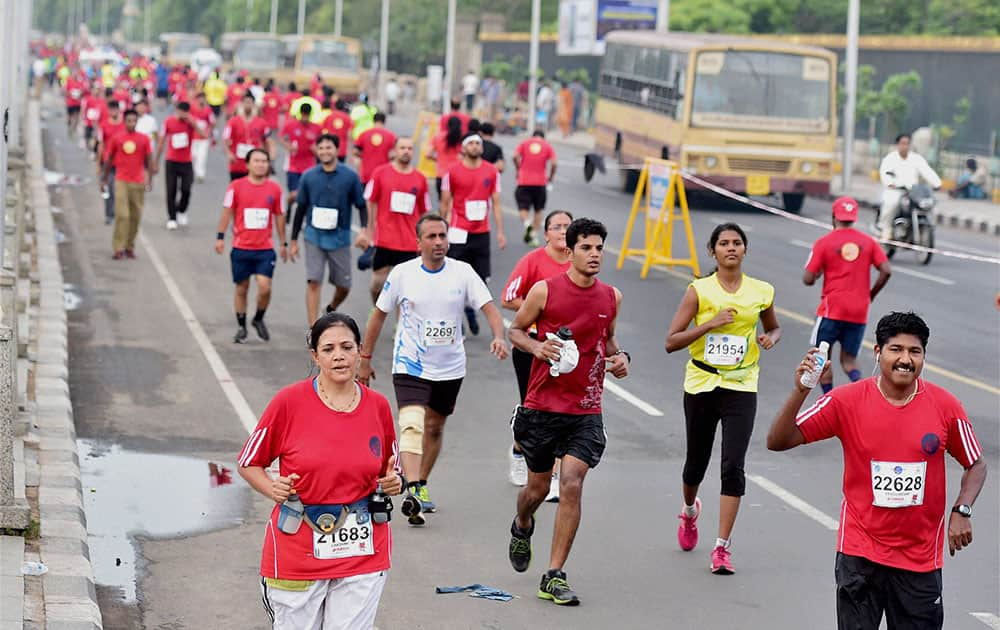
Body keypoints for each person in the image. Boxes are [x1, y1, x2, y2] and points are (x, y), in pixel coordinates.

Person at [767, 311, 987, 630]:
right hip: (860, 553)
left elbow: (975, 463)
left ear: (923, 356)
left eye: (915, 351)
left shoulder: (945, 406)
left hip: (919, 559)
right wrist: (801, 390)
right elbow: (778, 440)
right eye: (896, 349)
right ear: (878, 352)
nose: (905, 360)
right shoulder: (846, 401)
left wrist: (962, 510)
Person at [238, 312, 403, 630]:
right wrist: (272, 488)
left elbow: (389, 467)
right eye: (328, 349)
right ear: (315, 356)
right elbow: (249, 462)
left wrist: (394, 481)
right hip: (298, 549)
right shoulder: (289, 402)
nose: (339, 356)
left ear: (359, 351)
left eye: (346, 347)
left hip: (363, 548)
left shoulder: (378, 406)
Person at [507, 217, 629, 606]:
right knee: (537, 489)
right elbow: (516, 330)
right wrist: (536, 348)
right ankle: (523, 522)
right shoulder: (545, 291)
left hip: (586, 408)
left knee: (572, 482)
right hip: (543, 406)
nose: (594, 255)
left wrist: (621, 358)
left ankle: (554, 574)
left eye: (599, 248)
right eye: (587, 248)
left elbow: (607, 342)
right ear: (570, 250)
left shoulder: (612, 297)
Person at [359, 213, 507, 526]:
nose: (439, 242)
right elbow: (378, 315)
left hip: (449, 366)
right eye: (432, 237)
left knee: (435, 428)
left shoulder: (463, 272)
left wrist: (498, 337)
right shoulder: (402, 274)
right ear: (418, 242)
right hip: (410, 362)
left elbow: (490, 309)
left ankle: (420, 482)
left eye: (442, 236)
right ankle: (412, 488)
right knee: (412, 424)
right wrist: (365, 358)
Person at [663, 223, 782, 575]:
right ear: (712, 251)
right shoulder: (699, 291)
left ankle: (722, 548)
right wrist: (709, 324)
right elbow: (671, 341)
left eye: (737, 243)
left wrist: (771, 337)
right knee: (695, 464)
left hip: (742, 384)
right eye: (724, 243)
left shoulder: (762, 291)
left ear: (745, 250)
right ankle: (688, 511)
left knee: (733, 466)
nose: (731, 248)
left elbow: (773, 325)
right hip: (701, 382)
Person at [501, 210, 573, 499]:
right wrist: (541, 309)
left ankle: (554, 476)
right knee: (533, 410)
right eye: (557, 227)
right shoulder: (533, 261)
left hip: (563, 348)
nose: (562, 231)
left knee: (560, 410)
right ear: (545, 234)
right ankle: (519, 450)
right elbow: (508, 298)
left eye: (567, 226)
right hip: (530, 345)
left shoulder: (578, 262)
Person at [803, 197, 892, 392]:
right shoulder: (868, 242)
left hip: (831, 310)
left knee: (821, 359)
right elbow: (886, 270)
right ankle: (862, 394)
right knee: (849, 360)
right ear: (853, 217)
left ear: (834, 217)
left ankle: (829, 399)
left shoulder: (824, 243)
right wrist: (871, 295)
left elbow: (808, 279)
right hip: (859, 311)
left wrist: (819, 272)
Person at [290, 135, 368, 323]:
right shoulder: (308, 176)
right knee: (314, 281)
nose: (325, 151)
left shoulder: (349, 176)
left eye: (329, 148)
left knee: (344, 285)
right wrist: (293, 240)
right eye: (321, 148)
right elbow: (300, 208)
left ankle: (332, 307)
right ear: (317, 151)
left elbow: (361, 205)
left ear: (337, 149)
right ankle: (313, 329)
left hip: (340, 238)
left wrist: (365, 230)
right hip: (313, 236)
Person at [214, 149, 289, 343]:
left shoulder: (275, 189)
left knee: (264, 287)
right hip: (241, 248)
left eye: (264, 161)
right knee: (242, 288)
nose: (261, 164)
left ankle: (258, 318)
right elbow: (227, 212)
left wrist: (283, 243)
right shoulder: (236, 186)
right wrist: (220, 237)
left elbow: (280, 216)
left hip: (264, 249)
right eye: (256, 161)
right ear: (247, 164)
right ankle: (241, 326)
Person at [440, 133, 507, 335]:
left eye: (478, 143)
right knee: (454, 277)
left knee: (481, 279)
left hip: (481, 232)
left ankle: (469, 308)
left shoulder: (492, 171)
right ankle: (457, 316)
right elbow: (444, 203)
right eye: (471, 143)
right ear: (464, 148)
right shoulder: (452, 172)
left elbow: (496, 202)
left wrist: (500, 232)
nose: (476, 146)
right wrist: (442, 231)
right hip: (458, 231)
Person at [359, 137, 432, 305]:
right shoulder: (380, 173)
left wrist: (423, 238)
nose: (406, 151)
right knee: (377, 283)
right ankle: (377, 310)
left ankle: (401, 326)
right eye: (402, 148)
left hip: (408, 242)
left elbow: (424, 211)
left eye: (409, 148)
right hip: (384, 238)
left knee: (405, 289)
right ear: (395, 151)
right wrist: (369, 230)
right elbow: (370, 201)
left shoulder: (420, 178)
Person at [102, 109, 153, 260]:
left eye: (134, 121)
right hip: (121, 180)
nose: (132, 123)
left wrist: (150, 179)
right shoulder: (117, 138)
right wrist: (104, 178)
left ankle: (129, 246)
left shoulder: (144, 139)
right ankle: (118, 247)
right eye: (129, 121)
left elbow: (148, 160)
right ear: (125, 121)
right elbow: (110, 159)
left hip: (138, 182)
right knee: (123, 215)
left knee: (135, 216)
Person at [878, 133, 942, 242]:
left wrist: (937, 183)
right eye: (903, 143)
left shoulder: (916, 158)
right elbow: (885, 173)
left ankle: (925, 229)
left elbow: (927, 171)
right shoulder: (890, 158)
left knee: (928, 204)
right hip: (896, 190)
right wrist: (890, 183)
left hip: (913, 192)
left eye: (907, 144)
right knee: (891, 203)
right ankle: (886, 230)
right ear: (897, 144)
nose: (905, 146)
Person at [156, 101, 201, 230]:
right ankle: (172, 217)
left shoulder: (191, 123)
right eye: (181, 111)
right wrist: (156, 161)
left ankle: (181, 210)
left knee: (186, 189)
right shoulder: (168, 122)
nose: (183, 114)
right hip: (171, 160)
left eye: (186, 112)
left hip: (186, 161)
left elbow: (203, 135)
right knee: (171, 190)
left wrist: (193, 123)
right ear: (177, 110)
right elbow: (161, 141)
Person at [513, 131, 558, 246]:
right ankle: (533, 236)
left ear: (533, 136)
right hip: (540, 183)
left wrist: (518, 168)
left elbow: (514, 156)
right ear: (543, 137)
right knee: (538, 209)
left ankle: (528, 224)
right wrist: (551, 177)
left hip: (524, 181)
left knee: (523, 207)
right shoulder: (547, 145)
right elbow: (554, 163)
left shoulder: (524, 143)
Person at [279, 102, 323, 214]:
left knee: (308, 195)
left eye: (307, 115)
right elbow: (282, 138)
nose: (305, 118)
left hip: (310, 167)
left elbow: (321, 147)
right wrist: (288, 147)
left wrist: (316, 150)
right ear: (300, 114)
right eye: (304, 115)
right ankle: (288, 208)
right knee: (294, 194)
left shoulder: (316, 128)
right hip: (293, 166)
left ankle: (303, 219)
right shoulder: (291, 125)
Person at [224, 93, 275, 182]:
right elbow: (225, 139)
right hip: (237, 163)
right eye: (246, 102)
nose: (248, 105)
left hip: (255, 164)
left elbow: (268, 141)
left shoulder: (261, 123)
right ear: (242, 104)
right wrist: (229, 154)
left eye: (250, 103)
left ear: (254, 105)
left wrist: (270, 156)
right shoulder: (233, 122)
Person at [96, 101, 126, 225]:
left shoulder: (124, 125)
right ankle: (109, 214)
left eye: (115, 110)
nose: (113, 112)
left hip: (122, 163)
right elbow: (101, 145)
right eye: (111, 110)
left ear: (119, 110)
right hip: (107, 162)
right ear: (108, 111)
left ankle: (120, 212)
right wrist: (98, 164)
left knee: (120, 189)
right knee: (108, 188)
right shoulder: (103, 126)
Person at [353, 112, 397, 187]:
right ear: (384, 121)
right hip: (383, 175)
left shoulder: (364, 134)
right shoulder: (391, 136)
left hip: (366, 174)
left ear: (373, 121)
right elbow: (395, 155)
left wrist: (364, 156)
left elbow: (355, 151)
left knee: (365, 197)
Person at [428, 116, 463, 199]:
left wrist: (438, 159)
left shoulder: (437, 137)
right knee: (453, 203)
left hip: (441, 175)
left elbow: (428, 154)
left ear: (447, 125)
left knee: (442, 203)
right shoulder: (461, 139)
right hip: (457, 176)